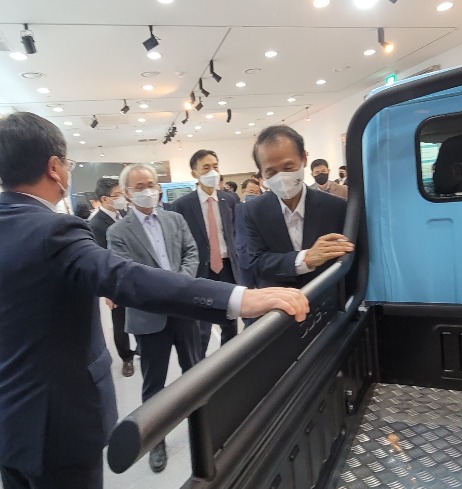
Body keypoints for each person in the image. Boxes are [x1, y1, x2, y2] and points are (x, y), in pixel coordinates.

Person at [0, 112, 308, 489]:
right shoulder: (54, 230)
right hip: (57, 423)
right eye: (67, 163)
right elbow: (124, 277)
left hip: (11, 420)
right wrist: (239, 297)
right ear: (54, 167)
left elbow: (187, 253)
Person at [107, 164, 205, 473]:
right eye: (139, 186)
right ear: (127, 193)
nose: (147, 190)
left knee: (196, 372)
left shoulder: (175, 219)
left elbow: (191, 252)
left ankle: (203, 425)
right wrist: (169, 292)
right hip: (148, 318)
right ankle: (155, 440)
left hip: (185, 311)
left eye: (151, 184)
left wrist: (180, 287)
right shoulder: (117, 232)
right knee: (154, 384)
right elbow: (127, 275)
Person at [245, 125, 354, 288]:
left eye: (288, 168)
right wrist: (305, 259)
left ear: (304, 158)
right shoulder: (253, 211)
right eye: (271, 172)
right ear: (261, 173)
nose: (281, 177)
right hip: (279, 300)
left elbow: (349, 261)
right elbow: (256, 262)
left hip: (325, 297)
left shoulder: (336, 208)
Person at [171, 150, 240, 355]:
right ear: (195, 173)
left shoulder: (230, 199)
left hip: (228, 267)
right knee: (202, 326)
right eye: (206, 168)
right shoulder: (182, 205)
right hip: (201, 268)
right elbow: (178, 242)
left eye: (215, 166)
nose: (213, 172)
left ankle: (229, 359)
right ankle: (199, 363)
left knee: (230, 320)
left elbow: (235, 232)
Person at [88, 178, 136, 377]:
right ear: (105, 199)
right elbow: (100, 259)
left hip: (134, 273)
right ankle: (126, 358)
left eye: (122, 194)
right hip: (115, 281)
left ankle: (139, 347)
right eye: (117, 195)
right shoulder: (96, 224)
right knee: (120, 321)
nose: (122, 199)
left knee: (139, 315)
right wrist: (108, 291)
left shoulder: (125, 214)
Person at [235, 179, 262, 289]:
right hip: (243, 255)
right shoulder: (235, 209)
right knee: (245, 290)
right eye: (251, 192)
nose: (254, 195)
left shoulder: (263, 209)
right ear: (243, 192)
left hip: (261, 256)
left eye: (257, 193)